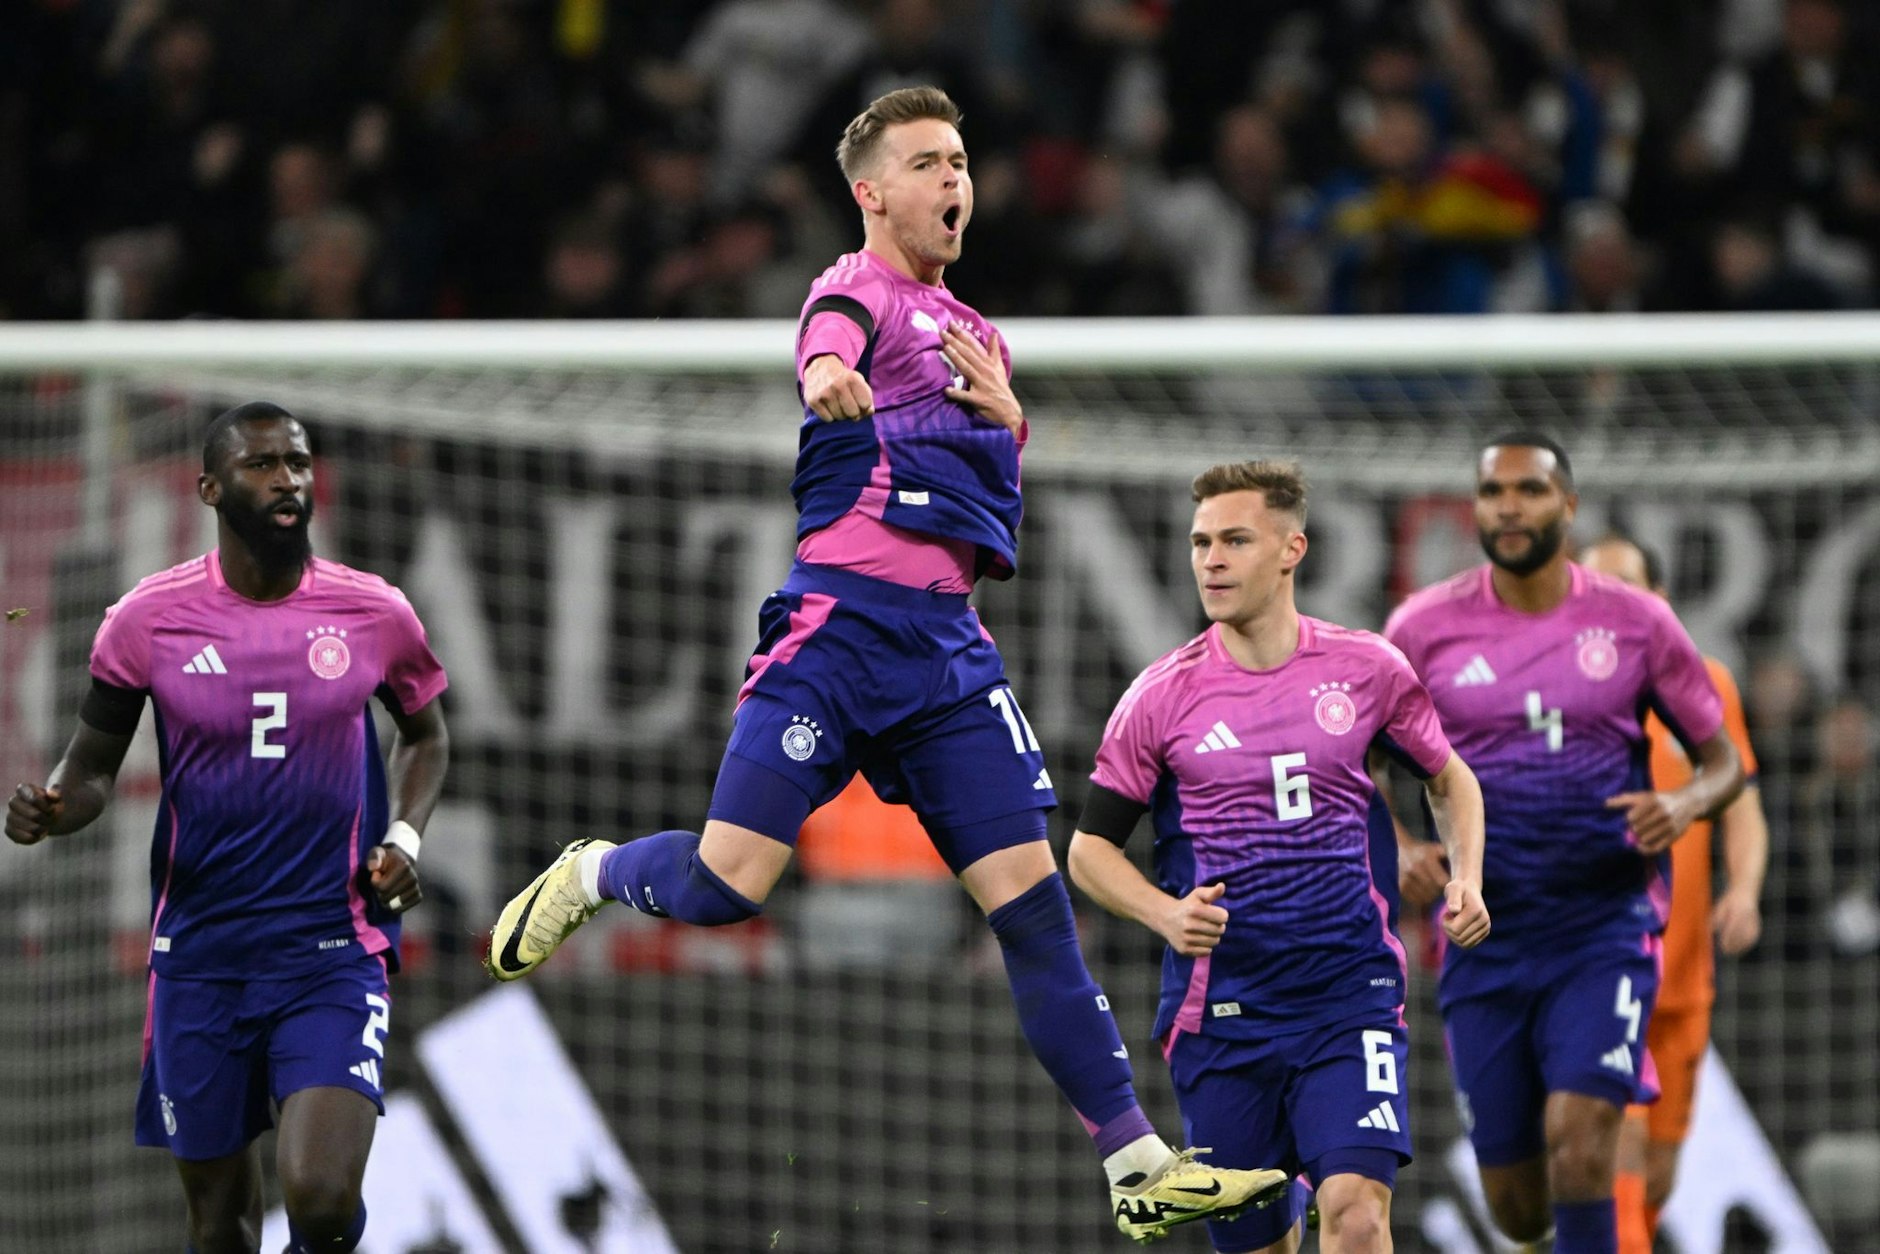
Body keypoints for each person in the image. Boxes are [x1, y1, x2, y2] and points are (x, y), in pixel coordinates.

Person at [484, 86, 1287, 1243]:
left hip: (947, 654)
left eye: (961, 160)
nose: (955, 181)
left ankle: (1135, 1163)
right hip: (838, 633)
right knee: (727, 886)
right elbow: (825, 346)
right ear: (872, 192)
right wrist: (820, 380)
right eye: (928, 162)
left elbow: (986, 513)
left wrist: (1010, 423)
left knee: (1035, 909)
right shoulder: (850, 291)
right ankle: (594, 872)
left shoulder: (984, 342)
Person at [5, 402, 450, 1254]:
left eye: (298, 462)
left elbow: (427, 734)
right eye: (262, 465)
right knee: (219, 1224)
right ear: (209, 487)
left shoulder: (373, 612)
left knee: (319, 1202)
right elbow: (90, 768)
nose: (287, 480)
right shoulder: (147, 620)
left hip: (331, 948)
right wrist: (54, 806)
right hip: (200, 958)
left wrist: (405, 837)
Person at [1067, 460, 1490, 1254]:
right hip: (1223, 1016)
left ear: (1292, 549)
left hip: (1347, 994)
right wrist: (1165, 913)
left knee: (1358, 1213)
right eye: (1200, 543)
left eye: (1234, 539)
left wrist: (1466, 876)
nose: (1211, 560)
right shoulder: (1160, 699)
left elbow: (1448, 778)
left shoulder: (1367, 670)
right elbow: (1088, 852)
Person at [1382, 434, 1744, 1253]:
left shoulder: (1636, 622)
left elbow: (1724, 763)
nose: (1510, 506)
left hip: (1603, 925)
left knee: (1583, 1146)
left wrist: (1683, 802)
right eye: (1494, 492)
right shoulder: (1423, 627)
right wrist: (1398, 841)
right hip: (1484, 934)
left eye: (1531, 491)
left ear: (1568, 507)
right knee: (1517, 1203)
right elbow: (1361, 762)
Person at [1578, 533, 1769, 1253]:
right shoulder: (1562, 704)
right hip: (1602, 969)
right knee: (1615, 1163)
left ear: (1659, 600)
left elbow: (1742, 804)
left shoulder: (1706, 687)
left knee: (1655, 1179)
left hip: (1684, 982)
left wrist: (1744, 890)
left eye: (1626, 585)